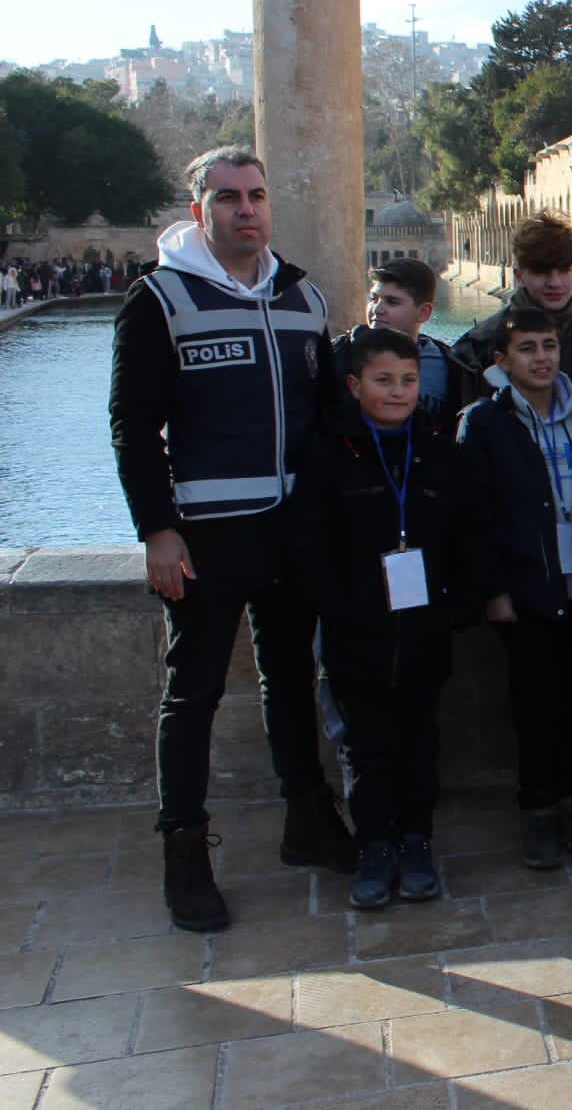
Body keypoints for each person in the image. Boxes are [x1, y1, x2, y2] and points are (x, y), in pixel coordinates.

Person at [110, 145, 355, 932]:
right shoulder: (159, 300)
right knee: (194, 693)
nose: (245, 209)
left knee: (290, 679)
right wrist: (157, 530)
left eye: (255, 195)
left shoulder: (303, 295)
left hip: (292, 532)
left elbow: (324, 420)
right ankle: (184, 852)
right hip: (208, 537)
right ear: (198, 211)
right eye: (227, 198)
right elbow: (133, 425)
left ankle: (307, 820)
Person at [290, 328, 488, 908]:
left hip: (424, 630)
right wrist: (338, 604)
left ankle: (415, 840)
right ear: (355, 386)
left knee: (420, 742)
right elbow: (309, 544)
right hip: (356, 633)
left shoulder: (438, 453)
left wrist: (458, 605)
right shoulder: (330, 455)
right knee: (365, 748)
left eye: (407, 381)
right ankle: (374, 844)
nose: (397, 392)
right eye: (383, 381)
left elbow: (467, 537)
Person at [456, 308, 572, 869]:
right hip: (528, 586)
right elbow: (473, 518)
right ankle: (538, 812)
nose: (542, 357)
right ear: (502, 362)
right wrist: (493, 591)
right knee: (534, 705)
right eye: (527, 348)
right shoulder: (483, 423)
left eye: (548, 345)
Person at [452, 213, 572, 386]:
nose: (555, 283)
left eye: (564, 271)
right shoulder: (480, 345)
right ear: (519, 276)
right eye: (541, 272)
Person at [332, 258, 477, 435]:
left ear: (423, 312)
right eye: (373, 299)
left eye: (391, 302)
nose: (377, 309)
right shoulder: (337, 357)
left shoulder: (453, 367)